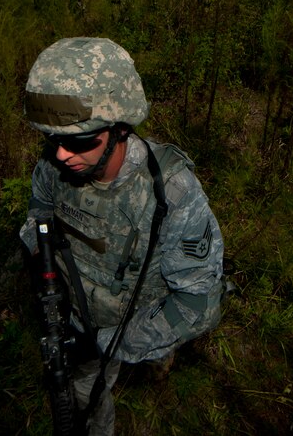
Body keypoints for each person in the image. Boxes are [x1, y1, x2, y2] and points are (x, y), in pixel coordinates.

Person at [20, 37, 224, 435]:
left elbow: (199, 302)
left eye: (78, 141)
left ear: (120, 129)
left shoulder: (171, 193)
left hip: (130, 321)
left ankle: (157, 361)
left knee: (149, 356)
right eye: (52, 140)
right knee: (86, 400)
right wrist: (47, 279)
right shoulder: (54, 167)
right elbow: (38, 216)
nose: (61, 155)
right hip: (75, 317)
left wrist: (113, 342)